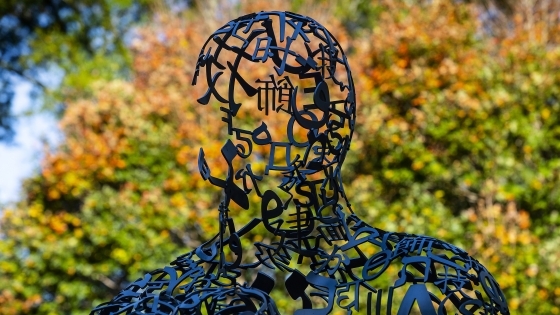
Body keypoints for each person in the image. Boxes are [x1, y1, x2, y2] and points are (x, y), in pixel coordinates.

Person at [91, 11, 510, 315]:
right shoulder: (151, 301)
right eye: (228, 118)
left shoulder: (442, 282)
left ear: (335, 130)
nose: (242, 147)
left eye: (282, 119)